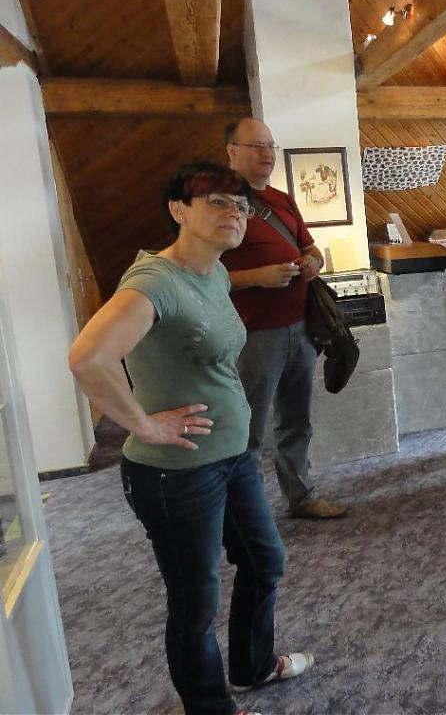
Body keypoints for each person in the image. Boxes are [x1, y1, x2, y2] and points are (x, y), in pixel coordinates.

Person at [68, 162, 312, 715]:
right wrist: (145, 424)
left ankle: (252, 667)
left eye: (242, 206)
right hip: (175, 473)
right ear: (178, 210)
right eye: (217, 202)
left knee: (264, 560)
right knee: (195, 602)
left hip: (233, 456)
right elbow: (88, 358)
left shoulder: (215, 272)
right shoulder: (156, 281)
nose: (235, 214)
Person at [222, 118, 346, 519]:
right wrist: (256, 277)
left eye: (270, 146)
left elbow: (314, 251)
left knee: (296, 421)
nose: (267, 154)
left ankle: (301, 497)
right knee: (249, 429)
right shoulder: (220, 204)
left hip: (300, 328)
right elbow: (203, 275)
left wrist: (313, 263)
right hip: (255, 334)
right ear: (232, 151)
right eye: (256, 146)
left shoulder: (282, 199)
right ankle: (245, 512)